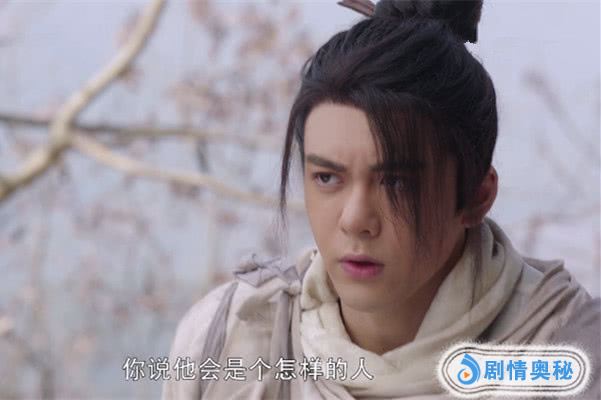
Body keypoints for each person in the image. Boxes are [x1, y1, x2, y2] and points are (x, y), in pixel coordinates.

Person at [162, 0, 600, 398]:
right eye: (327, 177)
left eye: (396, 183)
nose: (355, 220)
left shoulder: (571, 354)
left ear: (477, 195)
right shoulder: (231, 335)